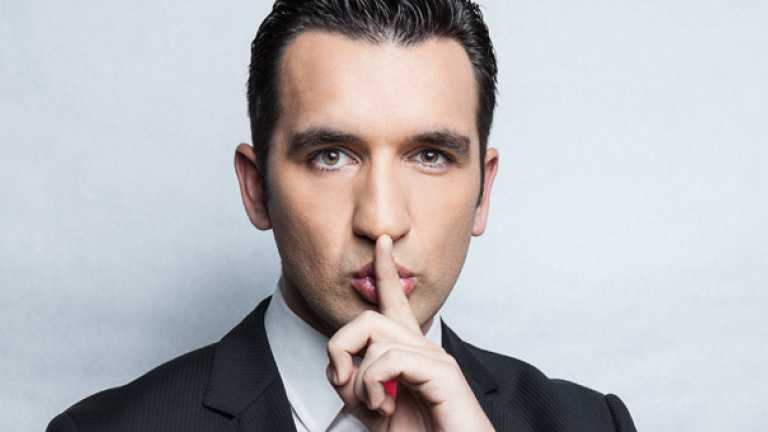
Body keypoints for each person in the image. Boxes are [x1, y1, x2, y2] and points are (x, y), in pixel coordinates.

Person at [47, 1, 637, 431]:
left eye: (430, 156)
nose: (381, 221)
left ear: (483, 194)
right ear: (257, 189)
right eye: (331, 156)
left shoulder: (590, 423)